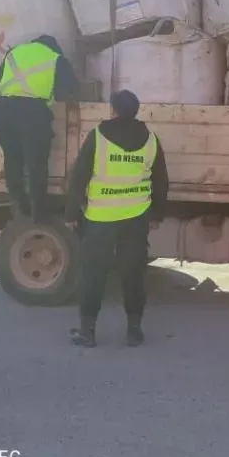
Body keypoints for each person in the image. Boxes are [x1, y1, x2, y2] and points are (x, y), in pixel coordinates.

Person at [64, 89, 168, 348]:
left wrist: (72, 212)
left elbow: (78, 176)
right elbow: (161, 182)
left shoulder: (98, 137)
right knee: (133, 274)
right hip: (136, 218)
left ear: (113, 110)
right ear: (136, 110)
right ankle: (134, 330)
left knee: (93, 275)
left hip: (100, 218)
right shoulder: (151, 140)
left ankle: (88, 331)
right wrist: (156, 214)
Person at [0, 34, 80, 223]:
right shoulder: (55, 58)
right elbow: (69, 89)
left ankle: (18, 203)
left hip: (4, 111)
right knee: (36, 163)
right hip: (33, 114)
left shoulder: (14, 52)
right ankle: (38, 211)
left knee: (12, 159)